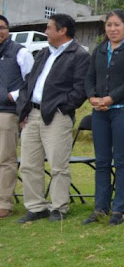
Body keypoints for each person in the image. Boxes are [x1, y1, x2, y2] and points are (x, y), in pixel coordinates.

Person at [15, 14, 90, 223]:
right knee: (29, 165)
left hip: (56, 115)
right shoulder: (43, 53)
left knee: (58, 165)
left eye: (49, 28)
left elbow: (80, 89)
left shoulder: (79, 54)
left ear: (62, 30)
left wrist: (63, 108)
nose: (46, 32)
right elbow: (28, 83)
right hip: (33, 114)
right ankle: (36, 207)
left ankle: (59, 207)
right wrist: (24, 110)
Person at [83, 10, 124, 226]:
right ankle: (100, 207)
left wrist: (110, 98)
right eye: (109, 25)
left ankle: (119, 209)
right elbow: (89, 76)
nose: (112, 29)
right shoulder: (100, 50)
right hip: (99, 112)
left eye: (117, 25)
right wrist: (92, 96)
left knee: (120, 161)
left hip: (123, 111)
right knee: (101, 161)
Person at [0, 15, 34, 218]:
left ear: (8, 30)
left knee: (5, 158)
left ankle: (4, 202)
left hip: (7, 113)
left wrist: (11, 96)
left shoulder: (21, 52)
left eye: (2, 28)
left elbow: (30, 82)